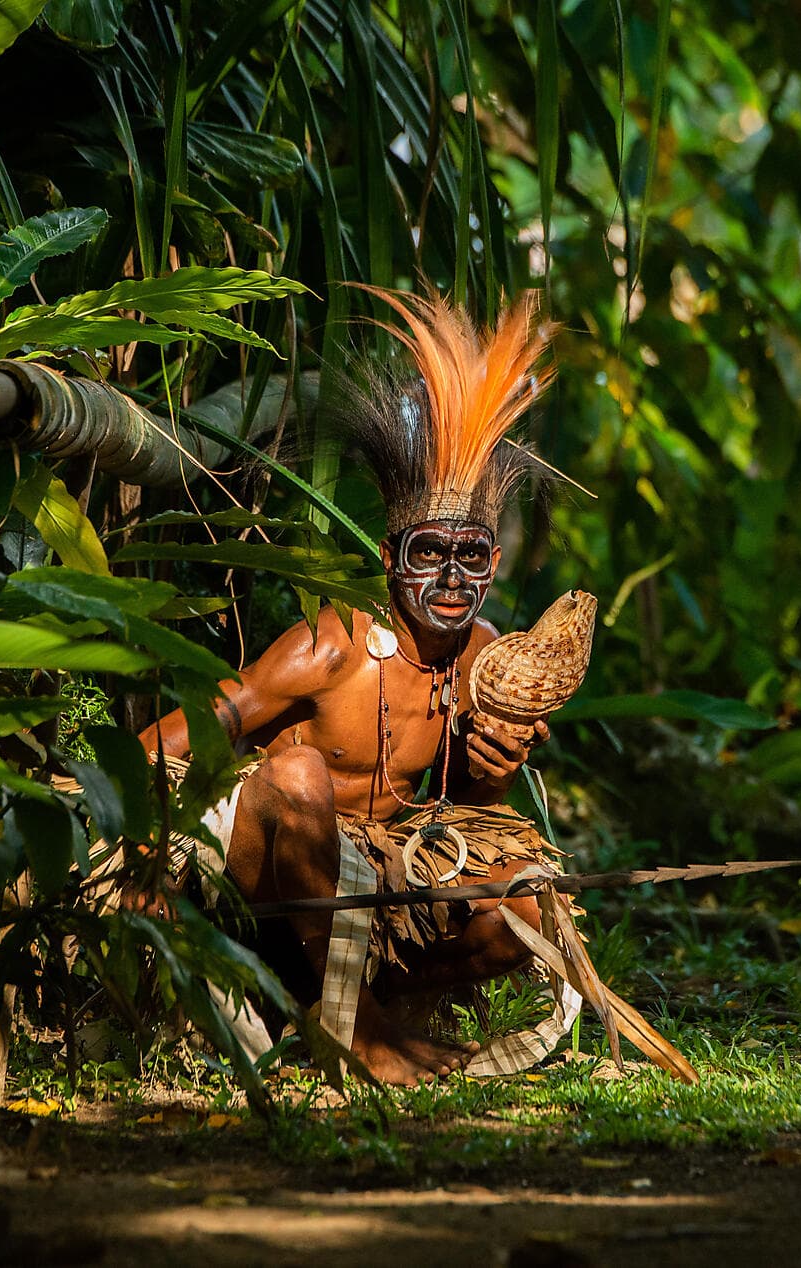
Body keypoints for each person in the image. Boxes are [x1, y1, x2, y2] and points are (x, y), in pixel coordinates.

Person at [138, 287, 574, 1085]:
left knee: (525, 907)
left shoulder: (484, 659)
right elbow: (183, 735)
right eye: (428, 553)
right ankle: (360, 1031)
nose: (450, 578)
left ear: (496, 565)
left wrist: (497, 766)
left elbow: (473, 808)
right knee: (298, 774)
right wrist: (127, 830)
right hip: (261, 878)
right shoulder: (331, 646)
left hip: (376, 897)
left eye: (471, 556)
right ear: (387, 556)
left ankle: (343, 1012)